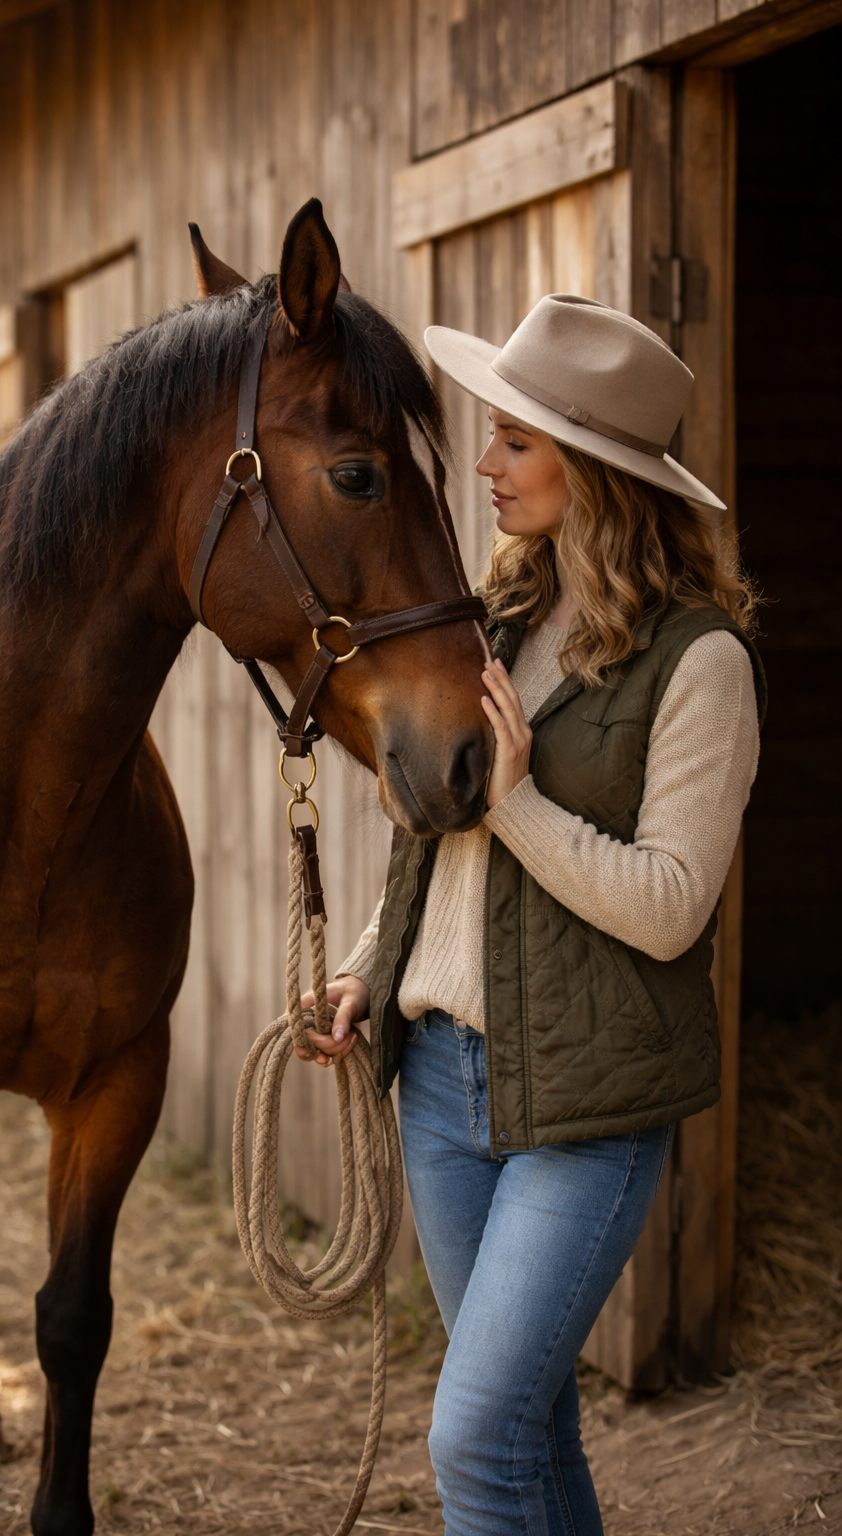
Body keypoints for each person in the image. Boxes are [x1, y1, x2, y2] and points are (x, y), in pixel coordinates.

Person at [298, 294, 764, 1536]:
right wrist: (363, 970)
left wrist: (519, 810)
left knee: (473, 1439)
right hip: (442, 1087)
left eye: (516, 442)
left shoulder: (700, 662)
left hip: (588, 1108)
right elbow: (432, 850)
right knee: (528, 1430)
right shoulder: (493, 617)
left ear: (597, 472)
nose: (485, 466)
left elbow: (670, 908)